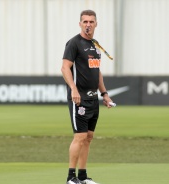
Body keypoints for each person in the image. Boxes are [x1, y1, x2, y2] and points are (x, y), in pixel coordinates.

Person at [61, 10, 113, 184]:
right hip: (79, 99)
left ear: (96, 24)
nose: (88, 24)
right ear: (80, 24)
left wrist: (104, 94)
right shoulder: (74, 43)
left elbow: (96, 72)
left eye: (91, 21)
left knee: (89, 137)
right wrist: (73, 89)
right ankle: (71, 177)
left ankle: (82, 177)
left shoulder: (95, 45)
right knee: (80, 137)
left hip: (93, 98)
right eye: (85, 21)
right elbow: (65, 68)